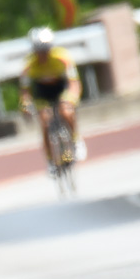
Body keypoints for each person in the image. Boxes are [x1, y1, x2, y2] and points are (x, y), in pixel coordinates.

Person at [20, 26, 86, 173]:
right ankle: (51, 160)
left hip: (61, 88)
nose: (43, 54)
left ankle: (75, 141)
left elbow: (74, 82)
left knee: (66, 111)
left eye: (46, 49)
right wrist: (25, 105)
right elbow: (25, 90)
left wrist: (71, 99)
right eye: (39, 50)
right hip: (42, 92)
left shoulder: (62, 58)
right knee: (44, 121)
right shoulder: (29, 65)